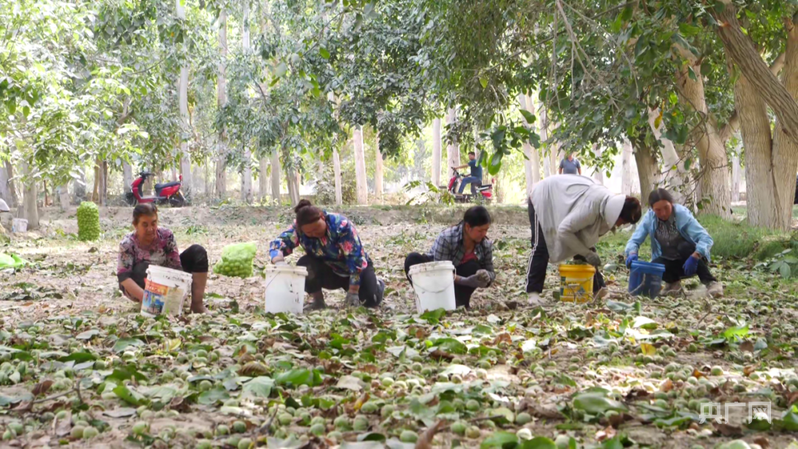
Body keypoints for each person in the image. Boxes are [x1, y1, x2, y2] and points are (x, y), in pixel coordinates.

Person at [526, 176, 642, 306]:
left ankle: (598, 288)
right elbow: (564, 231)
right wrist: (587, 253)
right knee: (541, 246)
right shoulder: (591, 207)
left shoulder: (605, 204)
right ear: (617, 214)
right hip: (544, 197)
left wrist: (587, 252)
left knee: (584, 247)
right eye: (623, 222)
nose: (620, 225)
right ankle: (533, 293)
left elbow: (584, 240)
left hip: (561, 199)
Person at [269, 200, 385, 310]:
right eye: (309, 233)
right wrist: (279, 262)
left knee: (369, 301)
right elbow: (277, 244)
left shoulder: (341, 225)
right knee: (304, 264)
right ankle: (318, 301)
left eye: (316, 228)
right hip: (330, 270)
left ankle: (378, 284)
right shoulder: (298, 229)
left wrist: (353, 291)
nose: (314, 233)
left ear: (322, 217)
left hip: (355, 270)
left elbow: (356, 259)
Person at [625, 188, 722, 297]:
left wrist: (696, 255)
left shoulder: (682, 214)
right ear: (652, 209)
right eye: (658, 210)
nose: (663, 213)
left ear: (672, 203)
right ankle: (673, 284)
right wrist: (632, 252)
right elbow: (634, 240)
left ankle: (711, 282)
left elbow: (706, 238)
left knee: (683, 246)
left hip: (692, 260)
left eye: (666, 207)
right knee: (655, 264)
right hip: (671, 262)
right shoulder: (650, 218)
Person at [117, 204, 208, 313]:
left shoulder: (166, 235)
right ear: (135, 225)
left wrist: (178, 293)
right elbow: (123, 277)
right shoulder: (127, 243)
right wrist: (148, 300)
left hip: (166, 278)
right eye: (145, 225)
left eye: (153, 223)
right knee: (144, 268)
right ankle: (150, 304)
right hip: (141, 282)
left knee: (198, 252)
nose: (150, 229)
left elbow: (176, 267)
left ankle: (197, 305)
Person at [404, 206, 494, 309]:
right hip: (434, 278)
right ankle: (427, 299)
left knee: (473, 267)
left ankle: (459, 302)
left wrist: (485, 276)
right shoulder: (447, 238)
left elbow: (491, 272)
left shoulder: (485, 245)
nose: (484, 234)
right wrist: (465, 280)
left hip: (458, 285)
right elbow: (440, 272)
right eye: (480, 231)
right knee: (412, 259)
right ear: (468, 227)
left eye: (486, 230)